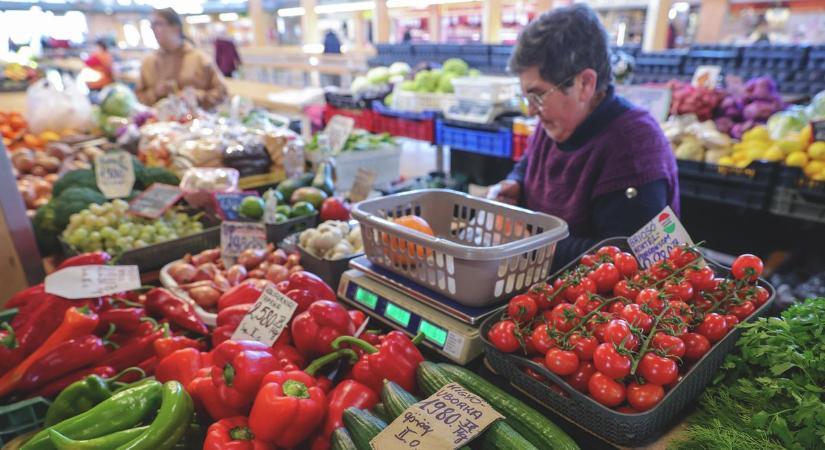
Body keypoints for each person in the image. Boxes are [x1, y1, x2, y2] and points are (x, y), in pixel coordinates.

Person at [491, 4, 679, 270]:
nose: (531, 110)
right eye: (527, 97)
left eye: (538, 95)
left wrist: (529, 243)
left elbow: (627, 258)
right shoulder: (558, 122)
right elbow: (529, 164)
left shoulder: (634, 148)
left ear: (585, 84)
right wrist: (515, 183)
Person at [136, 8, 227, 108]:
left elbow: (222, 92)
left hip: (196, 121)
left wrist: (197, 96)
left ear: (176, 27)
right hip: (157, 121)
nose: (154, 29)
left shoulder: (200, 59)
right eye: (152, 25)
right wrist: (155, 93)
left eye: (158, 24)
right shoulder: (148, 63)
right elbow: (138, 98)